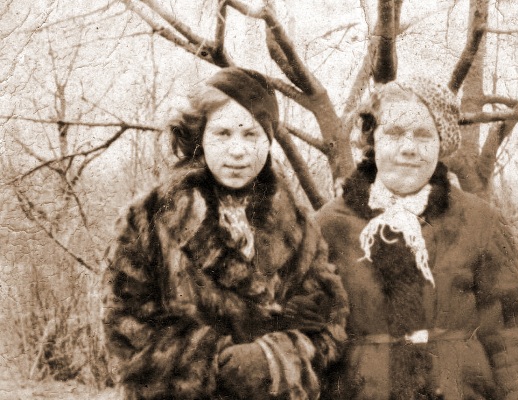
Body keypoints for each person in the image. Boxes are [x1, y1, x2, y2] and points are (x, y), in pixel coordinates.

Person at [101, 67, 348, 400]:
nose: (237, 150)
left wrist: (273, 360)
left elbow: (329, 325)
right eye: (223, 133)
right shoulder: (149, 218)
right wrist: (217, 362)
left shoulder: (299, 226)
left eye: (251, 135)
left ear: (269, 141)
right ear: (201, 137)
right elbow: (123, 329)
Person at [316, 77, 518, 400]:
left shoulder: (481, 223)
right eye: (394, 133)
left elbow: (511, 338)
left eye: (423, 135)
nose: (409, 148)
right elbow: (306, 342)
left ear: (441, 143)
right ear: (372, 140)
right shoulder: (327, 227)